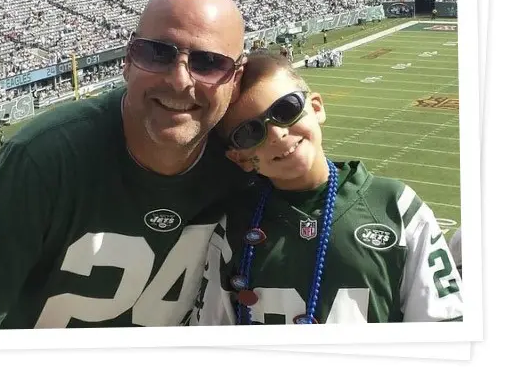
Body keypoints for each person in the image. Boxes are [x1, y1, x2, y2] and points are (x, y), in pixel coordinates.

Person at [0, 0, 249, 330]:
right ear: (128, 59)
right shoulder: (45, 158)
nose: (179, 80)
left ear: (236, 79)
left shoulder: (244, 160)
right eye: (157, 53)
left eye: (209, 63)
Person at [189, 52, 463, 325]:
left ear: (316, 107)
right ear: (240, 157)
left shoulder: (396, 206)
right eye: (250, 133)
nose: (277, 134)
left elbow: (442, 324)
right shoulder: (230, 226)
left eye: (285, 109)